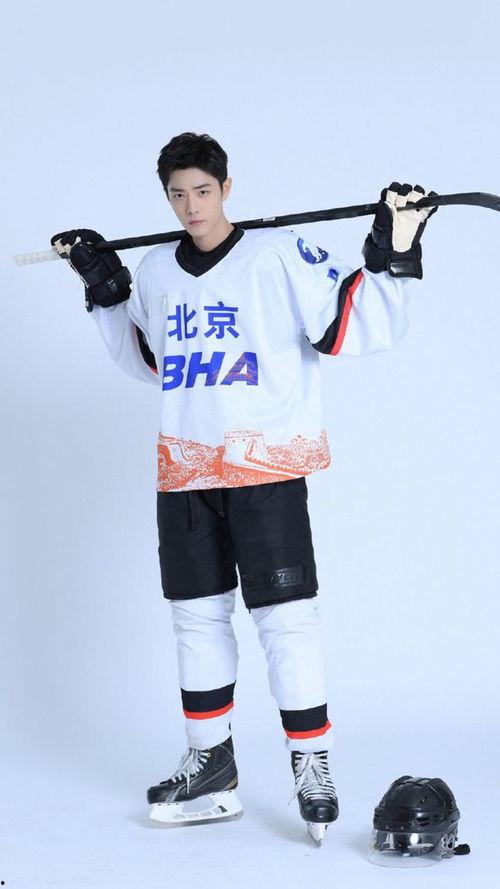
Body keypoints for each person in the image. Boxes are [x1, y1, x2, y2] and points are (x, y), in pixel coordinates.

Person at [51, 131, 437, 846]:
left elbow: (348, 325)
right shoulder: (157, 270)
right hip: (186, 470)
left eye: (203, 190)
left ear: (227, 188)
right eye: (177, 194)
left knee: (286, 622)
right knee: (195, 619)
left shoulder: (278, 254)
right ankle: (212, 763)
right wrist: (105, 291)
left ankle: (312, 763)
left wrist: (396, 245)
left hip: (266, 472)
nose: (191, 206)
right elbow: (149, 358)